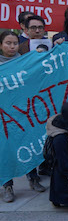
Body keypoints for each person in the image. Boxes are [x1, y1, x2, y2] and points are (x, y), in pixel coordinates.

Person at [0, 31, 46, 202]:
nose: (12, 46)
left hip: (25, 114)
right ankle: (7, 186)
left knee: (28, 144)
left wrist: (40, 58)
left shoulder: (27, 61)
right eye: (8, 43)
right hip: (4, 117)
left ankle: (33, 179)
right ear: (1, 45)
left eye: (14, 43)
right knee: (5, 151)